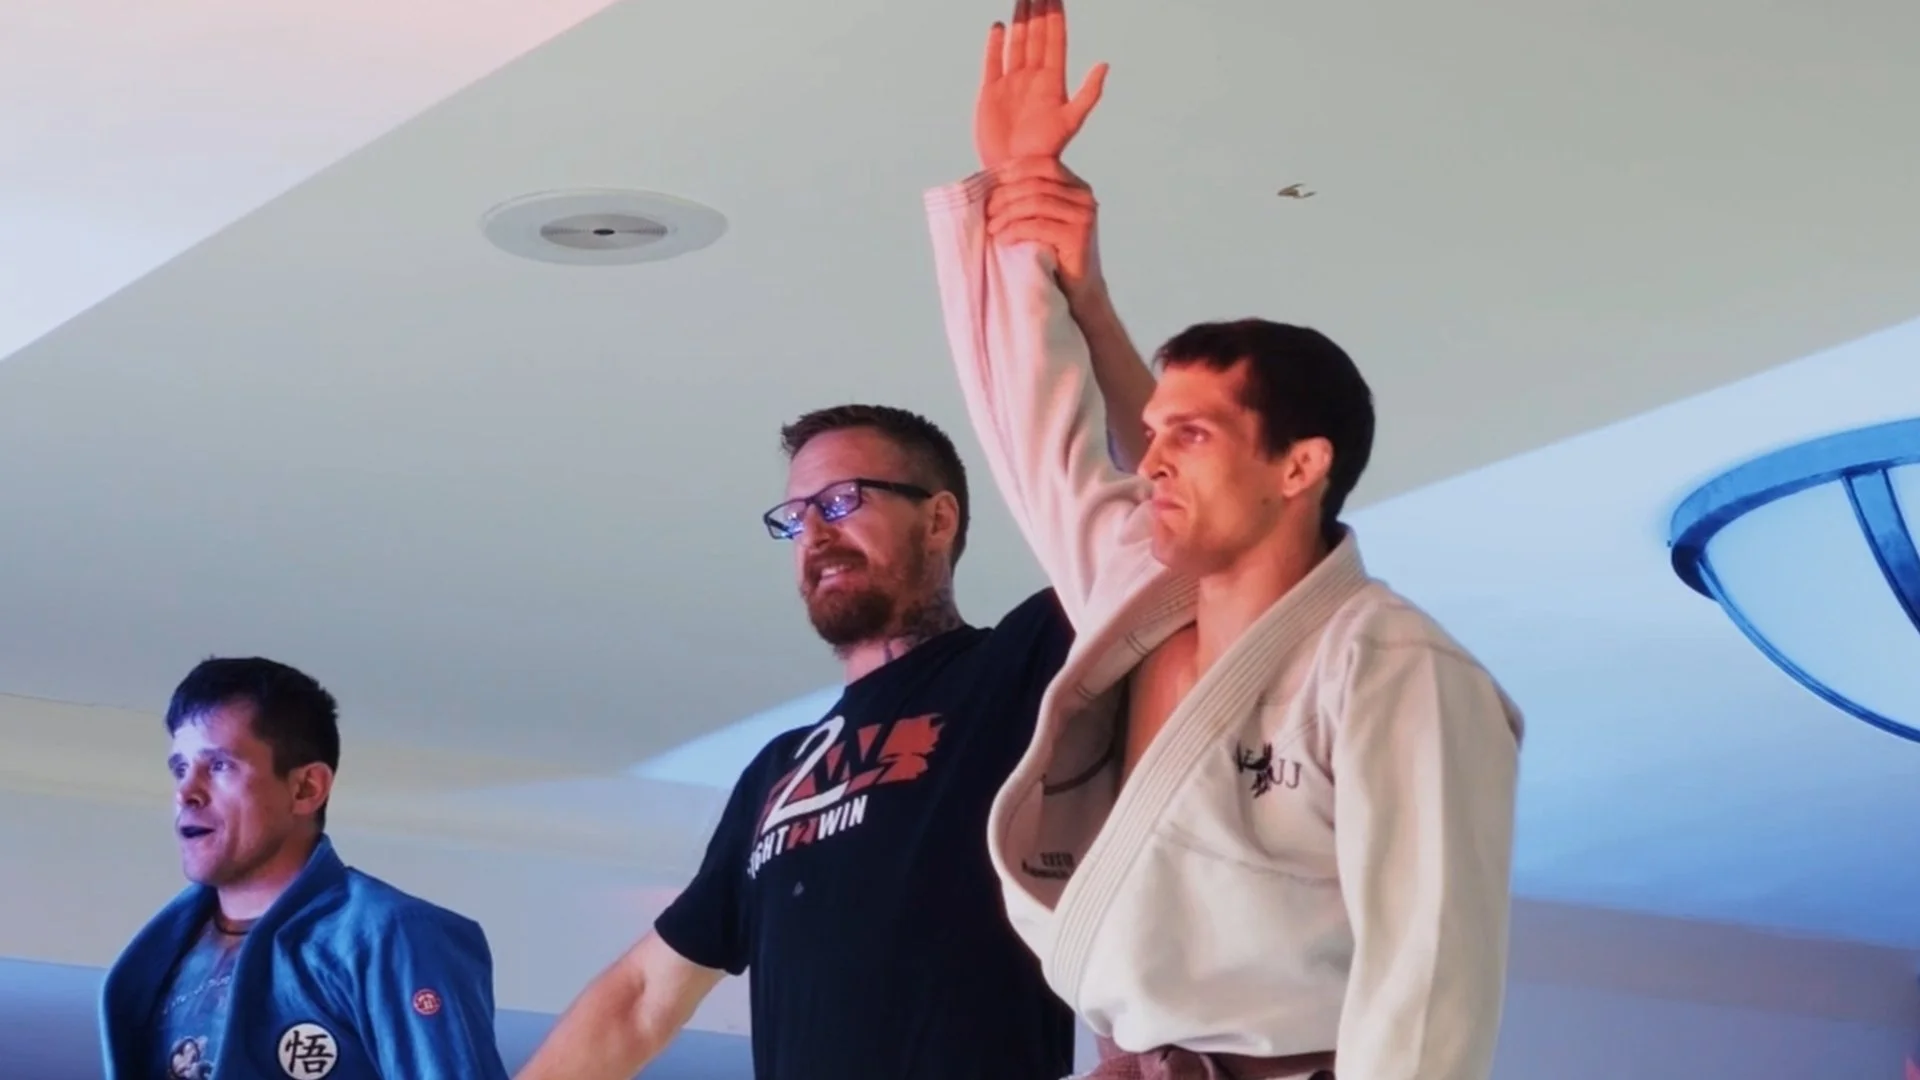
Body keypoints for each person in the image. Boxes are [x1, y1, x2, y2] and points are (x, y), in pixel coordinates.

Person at [921, 2, 1527, 1077]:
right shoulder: (1136, 591)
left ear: (1302, 467)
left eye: (1188, 436)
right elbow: (1036, 429)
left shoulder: (1388, 663)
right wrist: (1023, 213)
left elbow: (1427, 968)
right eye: (1151, 435)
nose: (1148, 460)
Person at [515, 401, 1148, 1080]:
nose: (813, 533)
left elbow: (1149, 530)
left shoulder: (1017, 668)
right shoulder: (777, 771)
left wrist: (1084, 324)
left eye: (842, 501)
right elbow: (642, 998)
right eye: (795, 516)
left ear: (938, 519)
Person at [99, 657, 512, 1080]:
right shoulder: (159, 958)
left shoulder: (394, 935)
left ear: (306, 788)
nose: (186, 793)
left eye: (220, 766)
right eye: (180, 768)